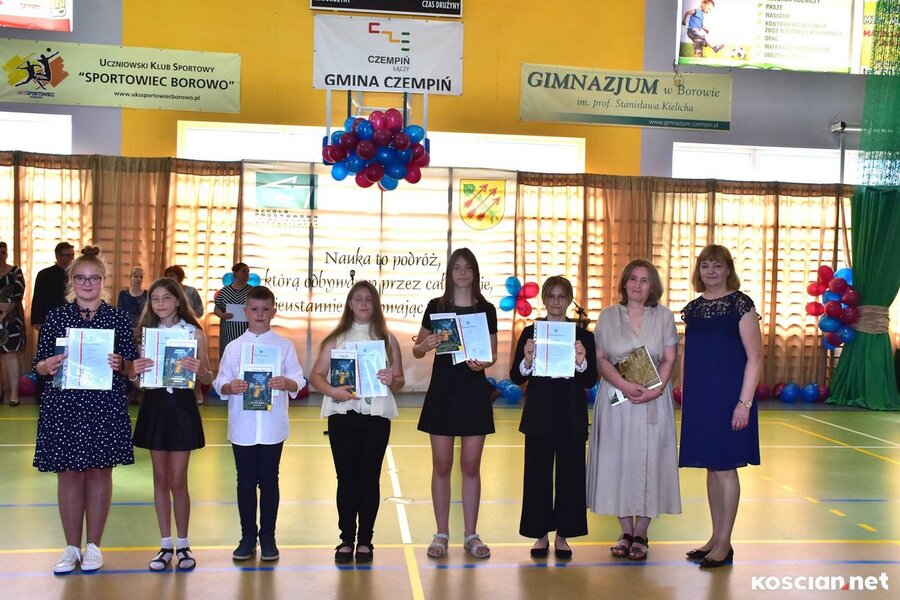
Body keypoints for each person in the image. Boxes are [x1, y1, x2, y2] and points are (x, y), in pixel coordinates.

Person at [32, 246, 137, 574]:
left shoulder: (118, 318)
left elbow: (131, 367)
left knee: (99, 473)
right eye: (80, 278)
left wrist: (121, 364)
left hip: (104, 406)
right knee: (68, 475)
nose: (87, 284)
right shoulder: (56, 318)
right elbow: (38, 365)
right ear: (71, 281)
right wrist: (47, 365)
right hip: (64, 406)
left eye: (94, 278)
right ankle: (71, 548)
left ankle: (93, 547)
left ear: (103, 281)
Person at [586, 259, 681, 562]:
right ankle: (625, 531)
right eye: (633, 279)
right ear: (624, 282)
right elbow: (600, 358)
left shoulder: (664, 316)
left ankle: (642, 532)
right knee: (617, 461)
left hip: (654, 398)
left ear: (653, 287)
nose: (638, 285)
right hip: (617, 398)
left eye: (644, 280)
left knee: (651, 461)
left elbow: (670, 357)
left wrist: (657, 389)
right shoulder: (607, 316)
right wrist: (624, 385)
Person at [308, 281, 405, 564]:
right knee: (346, 479)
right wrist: (333, 391)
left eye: (368, 299)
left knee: (370, 479)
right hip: (343, 416)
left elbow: (399, 380)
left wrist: (392, 380)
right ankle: (346, 539)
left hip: (376, 416)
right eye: (358, 298)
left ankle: (365, 540)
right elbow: (316, 376)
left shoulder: (387, 340)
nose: (363, 303)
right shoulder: (335, 339)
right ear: (350, 303)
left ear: (375, 305)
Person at [679, 244, 762, 569]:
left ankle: (725, 543)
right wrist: (684, 391)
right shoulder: (694, 309)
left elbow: (755, 358)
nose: (710, 271)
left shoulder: (741, 305)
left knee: (725, 468)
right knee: (712, 469)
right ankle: (715, 537)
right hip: (700, 400)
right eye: (705, 266)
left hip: (730, 399)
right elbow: (688, 353)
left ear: (728, 269)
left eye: (717, 265)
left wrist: (744, 403)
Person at [413, 248, 497, 559]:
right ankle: (441, 533)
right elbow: (417, 350)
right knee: (442, 464)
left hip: (473, 393)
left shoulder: (486, 309)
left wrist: (484, 363)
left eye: (467, 267)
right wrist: (426, 344)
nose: (462, 273)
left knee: (471, 466)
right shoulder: (436, 307)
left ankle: (471, 535)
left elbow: (492, 354)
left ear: (475, 272)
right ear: (449, 273)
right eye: (457, 268)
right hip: (443, 392)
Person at [213, 285, 305, 562]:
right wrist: (230, 387)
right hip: (243, 427)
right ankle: (247, 537)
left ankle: (268, 537)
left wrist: (286, 382)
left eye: (265, 309)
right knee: (244, 482)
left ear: (273, 312)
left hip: (272, 427)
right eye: (254, 309)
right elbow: (219, 382)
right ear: (245, 311)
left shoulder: (284, 346)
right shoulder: (234, 348)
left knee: (269, 481)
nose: (260, 314)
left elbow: (299, 380)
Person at [509, 276, 597, 560]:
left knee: (571, 476)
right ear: (544, 299)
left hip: (571, 414)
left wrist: (581, 361)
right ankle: (539, 534)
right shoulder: (530, 333)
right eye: (551, 296)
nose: (556, 301)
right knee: (537, 476)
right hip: (540, 414)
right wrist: (527, 360)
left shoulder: (583, 336)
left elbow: (590, 379)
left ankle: (563, 536)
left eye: (561, 296)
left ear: (569, 300)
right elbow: (515, 376)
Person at [129, 277, 212, 571]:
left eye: (166, 298)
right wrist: (134, 373)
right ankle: (165, 544)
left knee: (179, 480)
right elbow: (138, 382)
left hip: (182, 408)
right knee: (160, 480)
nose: (160, 304)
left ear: (178, 300)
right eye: (155, 299)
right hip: (155, 407)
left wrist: (199, 370)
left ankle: (184, 544)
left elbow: (208, 377)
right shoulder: (145, 335)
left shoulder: (194, 333)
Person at [0, 241, 26, 406]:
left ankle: (14, 396)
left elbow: (16, 296)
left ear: (7, 254)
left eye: (3, 252)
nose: (0, 256)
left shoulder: (15, 272)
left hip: (11, 321)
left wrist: (4, 310)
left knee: (10, 356)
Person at [30, 241, 75, 330]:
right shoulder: (44, 274)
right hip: (49, 317)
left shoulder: (77, 274)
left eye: (72, 255)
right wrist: (37, 321)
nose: (71, 258)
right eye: (67, 255)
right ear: (58, 256)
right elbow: (38, 298)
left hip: (71, 318)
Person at [214, 262, 251, 357]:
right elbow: (217, 308)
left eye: (248, 272)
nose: (247, 274)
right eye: (244, 271)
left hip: (247, 331)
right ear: (235, 273)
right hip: (228, 332)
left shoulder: (252, 291)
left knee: (245, 356)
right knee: (228, 355)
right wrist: (222, 315)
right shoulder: (224, 291)